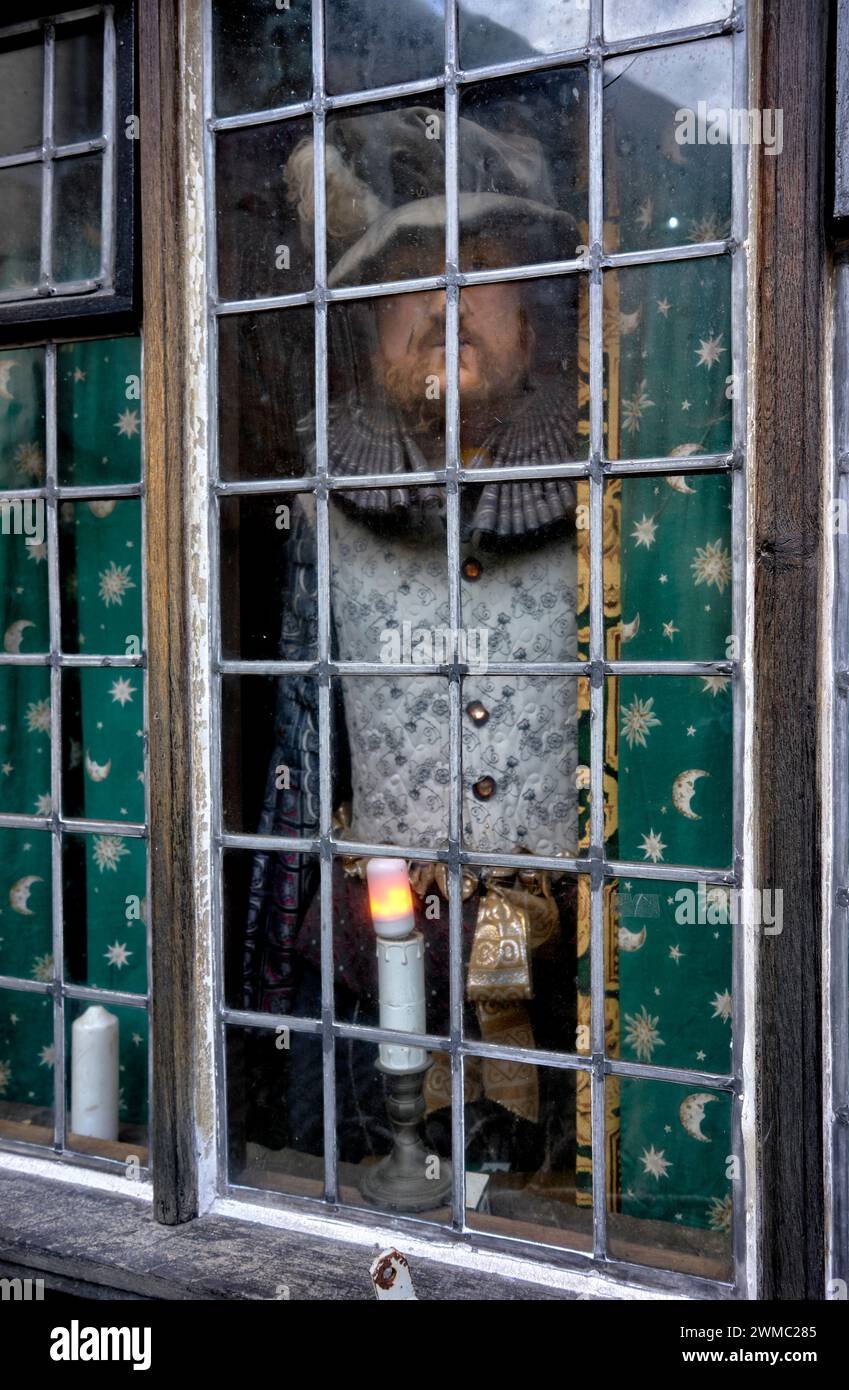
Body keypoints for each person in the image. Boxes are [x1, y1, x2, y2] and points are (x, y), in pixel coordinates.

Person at [240, 99, 588, 1201]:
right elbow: (297, 744)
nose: (443, 304)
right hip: (379, 948)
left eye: (477, 271)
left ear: (532, 324)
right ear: (368, 325)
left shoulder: (612, 494)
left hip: (576, 963)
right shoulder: (325, 499)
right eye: (407, 282)